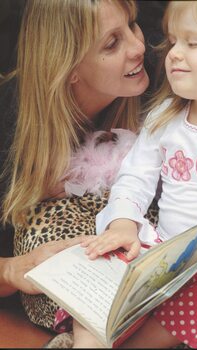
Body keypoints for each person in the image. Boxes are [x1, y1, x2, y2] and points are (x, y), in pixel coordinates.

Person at [73, 1, 197, 348]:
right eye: (171, 42)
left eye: (192, 44)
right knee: (99, 258)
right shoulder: (165, 117)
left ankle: (147, 343)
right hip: (162, 248)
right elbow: (135, 177)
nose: (174, 54)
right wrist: (123, 223)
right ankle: (87, 342)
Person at [0, 0, 151, 331]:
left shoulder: (156, 87)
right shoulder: (8, 126)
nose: (139, 45)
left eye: (133, 25)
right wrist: (12, 270)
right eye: (112, 43)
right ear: (68, 69)